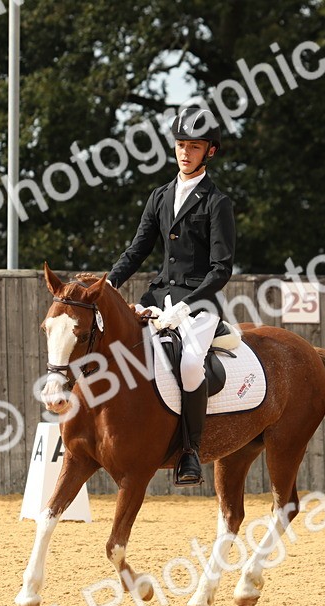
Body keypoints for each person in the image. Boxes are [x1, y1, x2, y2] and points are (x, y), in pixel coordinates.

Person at [106, 107, 236, 486]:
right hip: (158, 297)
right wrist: (109, 284)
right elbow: (137, 249)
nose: (185, 153)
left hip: (199, 304)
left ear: (209, 152)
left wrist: (186, 304)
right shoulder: (160, 196)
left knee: (192, 365)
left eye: (194, 147)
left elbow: (220, 269)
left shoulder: (217, 202)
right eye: (181, 145)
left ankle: (190, 451)